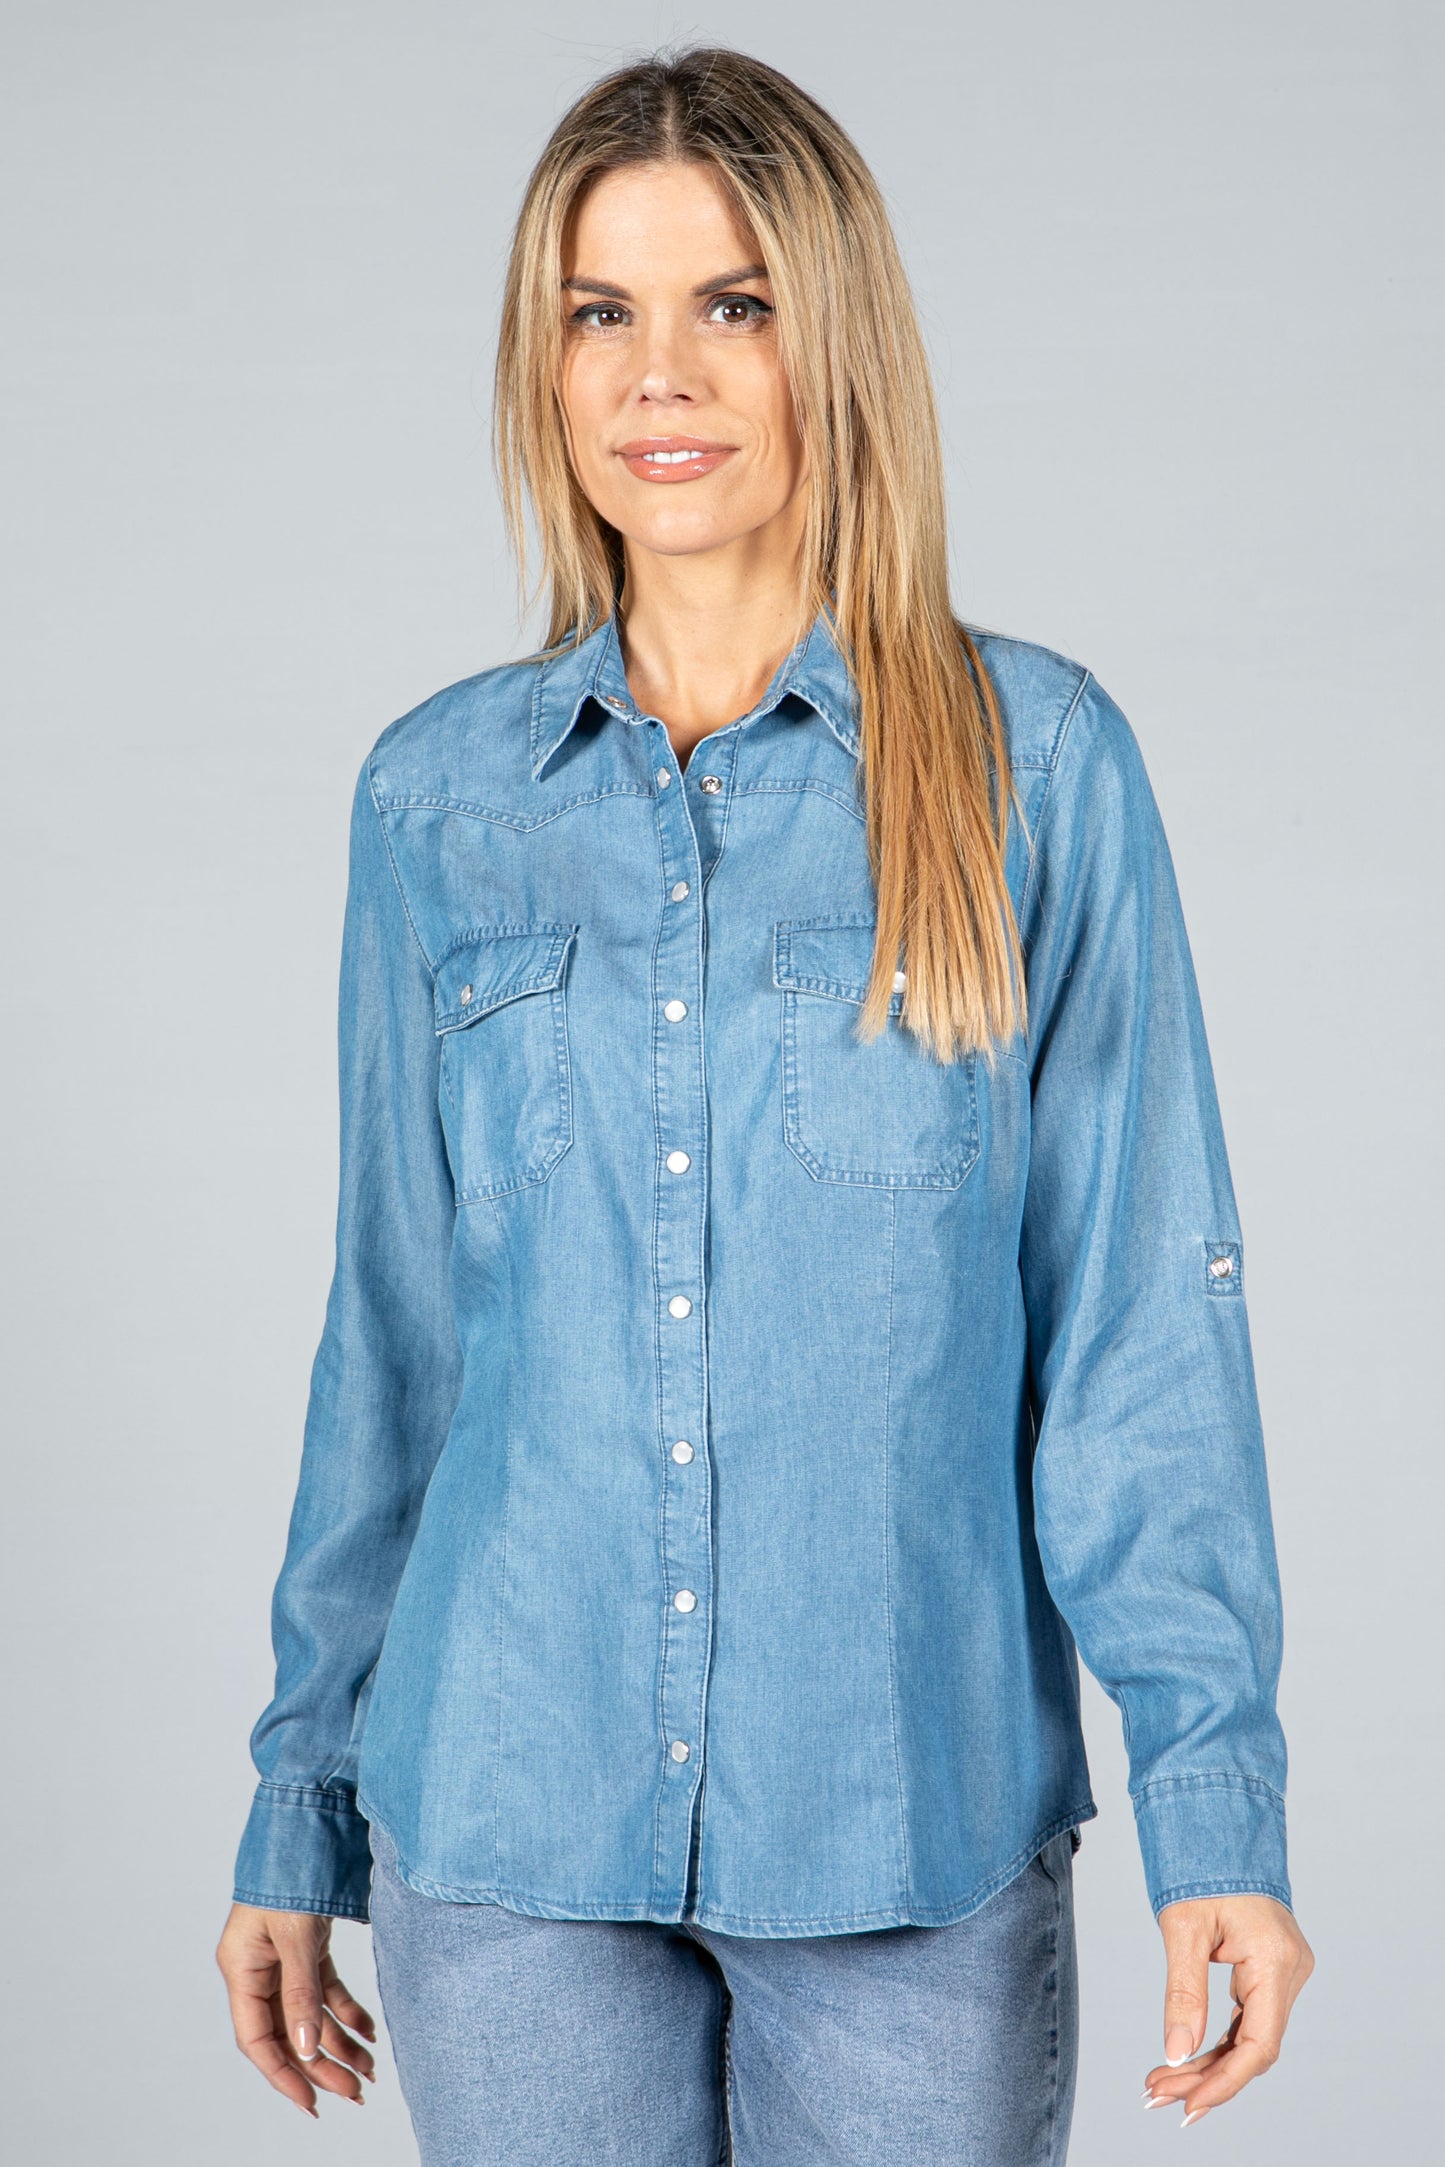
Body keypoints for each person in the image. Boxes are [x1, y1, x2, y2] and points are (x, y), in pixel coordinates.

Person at [215, 43, 1314, 2164]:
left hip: (906, 1834)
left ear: (837, 340)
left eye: (733, 303)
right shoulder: (435, 801)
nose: (662, 375)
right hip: (504, 1829)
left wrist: (1217, 1808)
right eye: (599, 313)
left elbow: (1137, 1333)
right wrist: (298, 1799)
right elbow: (396, 1344)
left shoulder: (1034, 768)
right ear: (544, 365)